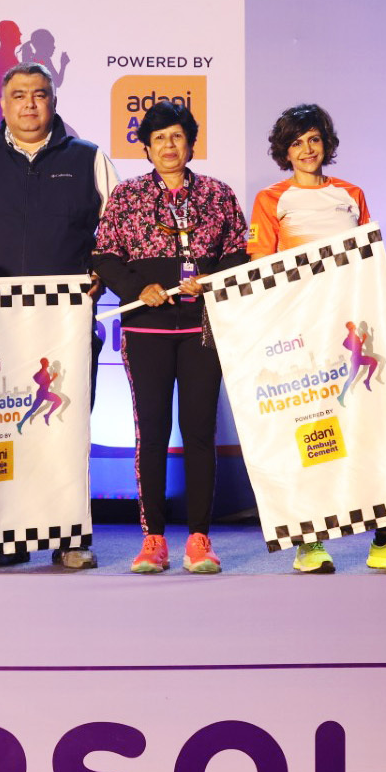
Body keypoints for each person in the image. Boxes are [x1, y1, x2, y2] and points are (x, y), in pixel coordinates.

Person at [246, 103, 386, 571]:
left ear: (326, 144)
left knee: (374, 427)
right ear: (284, 151)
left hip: (354, 329)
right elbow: (260, 268)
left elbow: (368, 261)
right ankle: (308, 544)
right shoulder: (271, 199)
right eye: (296, 142)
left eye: (313, 139)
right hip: (302, 336)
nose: (307, 150)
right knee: (315, 436)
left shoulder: (351, 193)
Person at [0, 61, 119, 568]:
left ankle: (69, 538)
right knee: (1, 430)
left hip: (66, 324)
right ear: (3, 104)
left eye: (39, 94)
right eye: (18, 95)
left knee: (64, 432)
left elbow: (114, 228)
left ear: (53, 101)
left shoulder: (89, 158)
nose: (28, 104)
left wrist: (99, 274)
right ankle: (5, 537)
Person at [92, 100, 248, 574]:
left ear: (191, 143)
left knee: (200, 432)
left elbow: (239, 253)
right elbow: (104, 255)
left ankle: (200, 538)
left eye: (177, 137)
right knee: (152, 433)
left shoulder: (219, 195)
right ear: (146, 146)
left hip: (202, 327)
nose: (168, 146)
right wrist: (139, 288)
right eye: (158, 138)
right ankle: (153, 539)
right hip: (146, 329)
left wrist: (212, 279)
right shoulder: (126, 196)